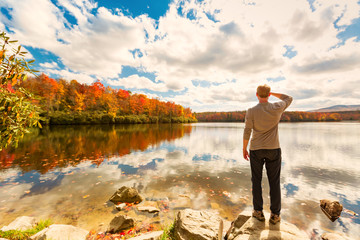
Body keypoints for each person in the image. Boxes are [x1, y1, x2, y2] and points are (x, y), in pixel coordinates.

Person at [243, 84, 293, 224]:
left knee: (256, 181)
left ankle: (258, 212)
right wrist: (273, 93)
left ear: (256, 94)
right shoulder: (277, 107)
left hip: (256, 149)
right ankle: (275, 215)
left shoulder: (251, 111)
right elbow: (289, 98)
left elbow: (247, 130)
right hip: (273, 149)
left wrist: (244, 148)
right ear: (269, 95)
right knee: (274, 182)